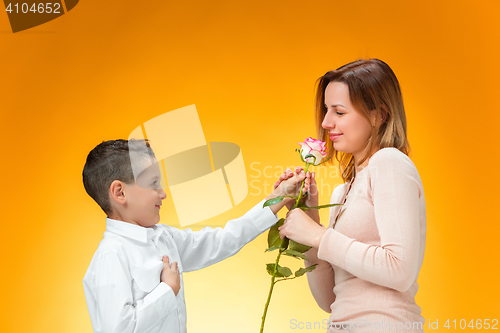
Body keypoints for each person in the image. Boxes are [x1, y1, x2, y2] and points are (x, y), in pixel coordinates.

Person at [82, 139, 309, 333]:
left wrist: (279, 197)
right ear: (120, 192)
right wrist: (167, 290)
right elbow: (118, 329)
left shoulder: (164, 238)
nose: (163, 193)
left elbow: (224, 239)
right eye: (153, 184)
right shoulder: (111, 256)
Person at [276, 59, 426, 332]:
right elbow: (331, 300)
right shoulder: (342, 192)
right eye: (326, 110)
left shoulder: (389, 163)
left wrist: (319, 236)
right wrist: (310, 219)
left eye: (339, 112)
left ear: (377, 115)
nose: (326, 122)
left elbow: (400, 270)